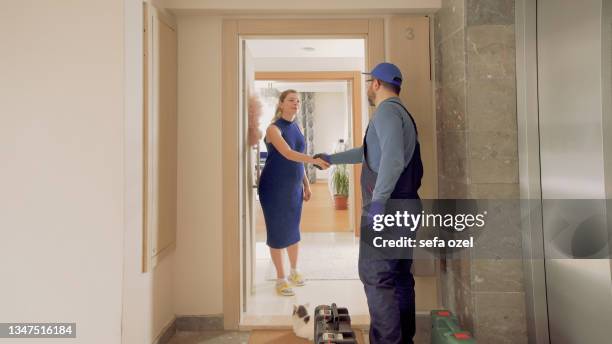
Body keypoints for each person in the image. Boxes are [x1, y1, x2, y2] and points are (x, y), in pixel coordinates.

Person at [315, 63, 424, 344]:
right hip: (407, 206)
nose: (367, 87)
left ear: (376, 83)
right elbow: (370, 154)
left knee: (377, 279)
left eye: (368, 82)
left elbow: (393, 160)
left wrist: (377, 204)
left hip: (389, 209)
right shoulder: (400, 114)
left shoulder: (386, 113)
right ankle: (403, 340)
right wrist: (333, 158)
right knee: (399, 278)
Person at [258, 89, 330, 296]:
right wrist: (315, 160)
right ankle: (280, 279)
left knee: (293, 229)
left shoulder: (297, 126)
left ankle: (294, 271)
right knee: (277, 231)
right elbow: (289, 154)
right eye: (291, 100)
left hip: (293, 187)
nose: (296, 103)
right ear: (281, 104)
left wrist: (305, 183)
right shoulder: (273, 129)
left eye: (298, 101)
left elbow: (298, 161)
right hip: (273, 187)